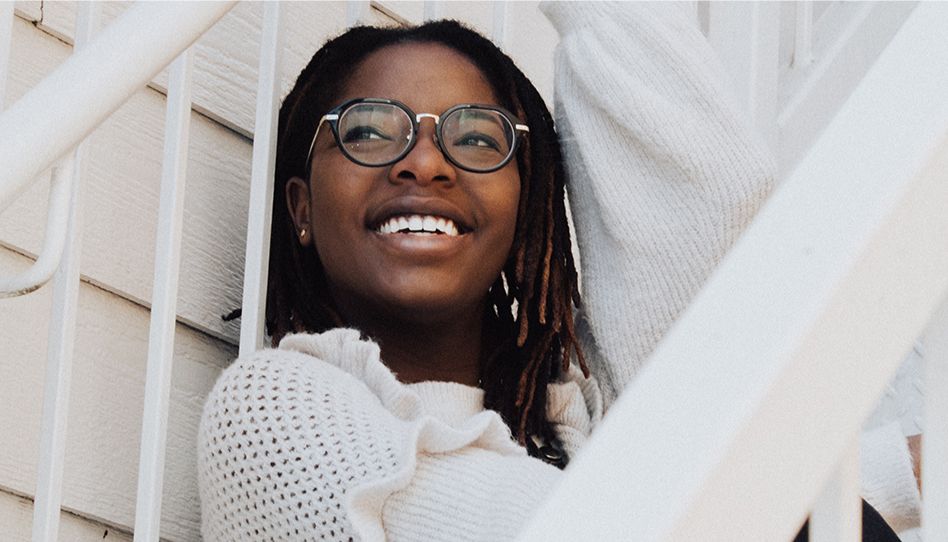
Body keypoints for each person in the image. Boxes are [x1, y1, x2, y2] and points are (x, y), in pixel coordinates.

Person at [198, 3, 917, 540]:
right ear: (300, 207)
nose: (424, 162)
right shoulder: (268, 412)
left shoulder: (569, 421)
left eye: (477, 139)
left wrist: (906, 470)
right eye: (368, 131)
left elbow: (708, 210)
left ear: (526, 210)